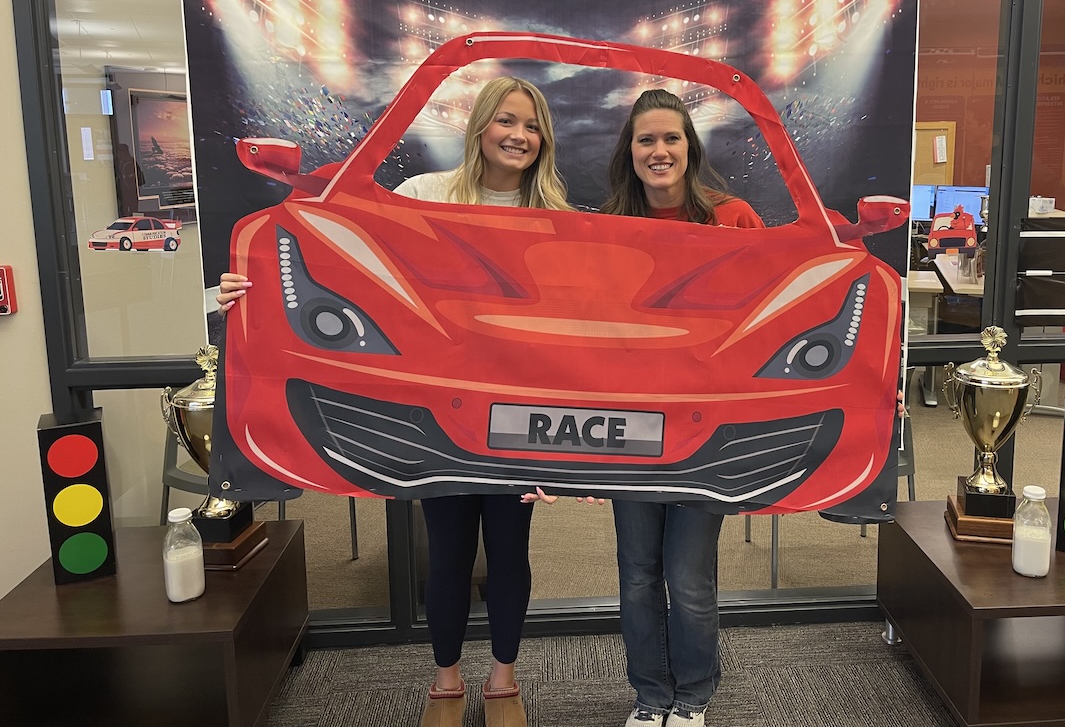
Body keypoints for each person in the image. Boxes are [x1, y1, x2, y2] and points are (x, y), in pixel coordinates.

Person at [217, 76, 572, 727]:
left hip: (517, 419)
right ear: (481, 127)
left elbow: (572, 329)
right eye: (507, 121)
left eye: (532, 125)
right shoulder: (423, 195)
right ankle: (443, 683)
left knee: (511, 549)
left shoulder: (557, 216)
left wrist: (559, 440)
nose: (520, 135)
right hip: (434, 416)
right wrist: (255, 280)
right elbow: (339, 256)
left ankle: (501, 681)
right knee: (448, 547)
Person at [600, 89, 764, 727]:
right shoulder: (608, 227)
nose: (659, 150)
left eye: (671, 138)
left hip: (707, 433)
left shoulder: (735, 219)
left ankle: (692, 696)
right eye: (646, 140)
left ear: (690, 147)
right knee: (638, 572)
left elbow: (765, 318)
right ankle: (650, 697)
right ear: (631, 152)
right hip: (631, 430)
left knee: (688, 575)